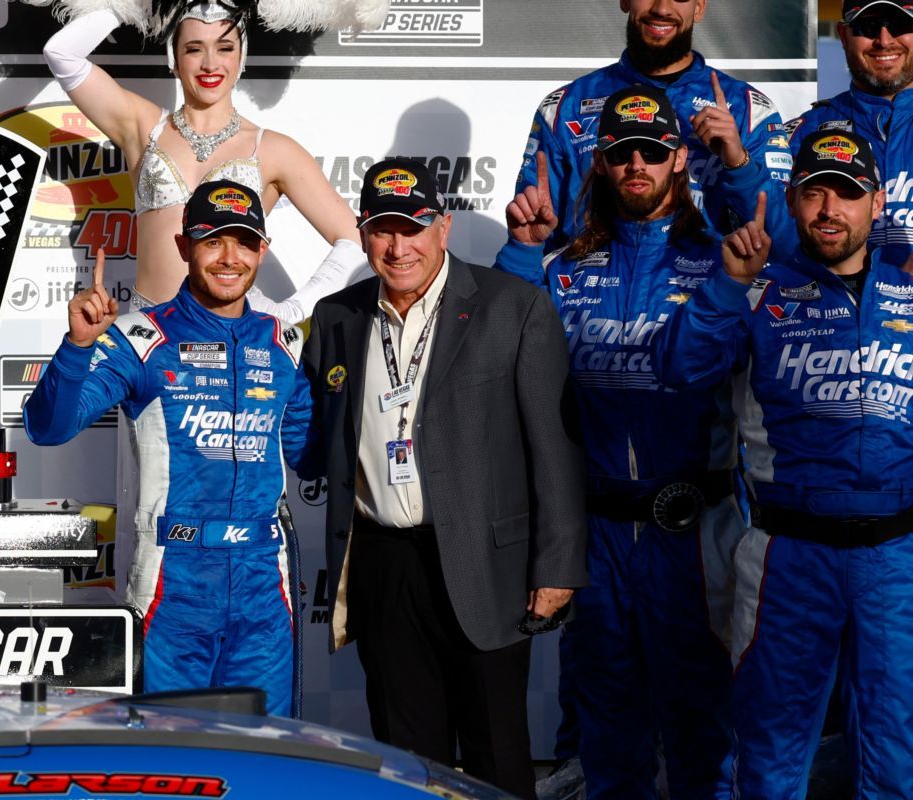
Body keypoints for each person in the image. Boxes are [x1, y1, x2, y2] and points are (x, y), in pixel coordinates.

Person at [302, 157, 588, 797]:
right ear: (363, 233)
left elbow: (555, 449)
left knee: (497, 758)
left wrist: (557, 565)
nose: (398, 246)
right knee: (406, 763)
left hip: (487, 564)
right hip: (383, 565)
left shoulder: (513, 305)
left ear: (444, 227)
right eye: (383, 230)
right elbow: (313, 436)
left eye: (413, 228)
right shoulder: (336, 317)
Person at [499, 86, 741, 800]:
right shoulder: (565, 268)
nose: (638, 164)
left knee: (703, 736)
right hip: (598, 534)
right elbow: (503, 355)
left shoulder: (722, 265)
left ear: (679, 160)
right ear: (600, 162)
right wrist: (523, 252)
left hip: (694, 536)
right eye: (622, 152)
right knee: (608, 738)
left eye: (653, 151)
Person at [655, 130, 913, 799]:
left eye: (847, 194)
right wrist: (726, 286)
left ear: (877, 203)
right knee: (770, 765)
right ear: (793, 200)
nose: (830, 209)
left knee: (896, 761)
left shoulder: (909, 289)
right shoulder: (759, 289)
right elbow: (677, 370)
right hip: (788, 558)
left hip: (897, 559)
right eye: (815, 192)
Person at [23, 179, 318, 717]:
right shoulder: (141, 338)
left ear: (262, 250)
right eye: (212, 241)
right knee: (170, 745)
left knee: (268, 749)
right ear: (184, 247)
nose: (229, 258)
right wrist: (78, 347)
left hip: (263, 586)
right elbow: (48, 428)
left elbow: (309, 455)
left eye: (243, 242)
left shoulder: (285, 345)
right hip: (173, 583)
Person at [31, 0, 368, 320]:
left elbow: (355, 239)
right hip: (148, 339)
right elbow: (61, 54)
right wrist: (137, 5)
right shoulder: (142, 127)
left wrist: (293, 310)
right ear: (174, 57)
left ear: (242, 56)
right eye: (194, 49)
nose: (210, 64)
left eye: (225, 48)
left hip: (233, 340)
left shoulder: (272, 149)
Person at [516, 0, 792, 263]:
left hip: (711, 292)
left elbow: (785, 247)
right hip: (590, 290)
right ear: (625, 1)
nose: (661, 8)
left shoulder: (748, 110)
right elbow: (532, 243)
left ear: (699, 7)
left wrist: (738, 163)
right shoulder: (566, 107)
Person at [784, 1, 913, 265]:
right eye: (869, 26)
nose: (884, 41)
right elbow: (773, 237)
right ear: (843, 35)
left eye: (900, 25)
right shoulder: (802, 133)